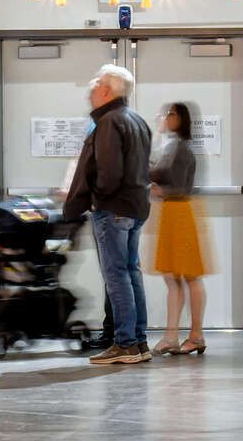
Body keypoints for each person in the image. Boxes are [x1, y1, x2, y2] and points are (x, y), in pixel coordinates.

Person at [64, 64, 153, 365]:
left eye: (96, 82)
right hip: (135, 208)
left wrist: (96, 200)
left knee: (116, 275)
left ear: (106, 90)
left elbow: (109, 172)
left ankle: (125, 343)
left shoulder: (109, 122)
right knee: (131, 272)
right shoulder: (137, 120)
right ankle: (139, 341)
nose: (91, 88)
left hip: (113, 210)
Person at [149, 102, 208, 356]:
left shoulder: (182, 149)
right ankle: (172, 335)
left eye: (170, 114)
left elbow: (181, 186)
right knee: (173, 277)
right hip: (172, 213)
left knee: (189, 276)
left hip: (180, 212)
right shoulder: (171, 147)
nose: (164, 118)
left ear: (180, 119)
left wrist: (160, 190)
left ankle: (195, 335)